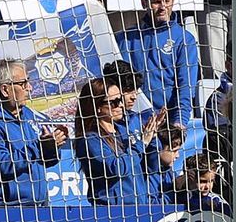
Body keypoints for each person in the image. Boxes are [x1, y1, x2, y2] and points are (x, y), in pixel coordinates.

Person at [0, 59, 67, 205]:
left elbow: (45, 161)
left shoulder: (27, 114)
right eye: (23, 83)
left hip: (38, 206)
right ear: (5, 90)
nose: (30, 88)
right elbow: (2, 165)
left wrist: (51, 146)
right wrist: (39, 148)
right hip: (4, 211)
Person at [74, 74, 176, 204]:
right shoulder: (90, 139)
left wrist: (152, 136)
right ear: (97, 107)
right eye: (115, 102)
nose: (121, 105)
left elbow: (152, 166)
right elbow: (117, 168)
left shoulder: (124, 131)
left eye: (121, 99)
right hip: (112, 212)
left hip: (139, 208)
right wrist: (142, 142)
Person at [117, 0, 201, 129]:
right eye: (156, 2)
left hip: (166, 125)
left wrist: (179, 124)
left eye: (167, 1)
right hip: (130, 124)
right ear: (144, 3)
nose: (163, 7)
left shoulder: (184, 40)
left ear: (173, 0)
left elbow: (186, 88)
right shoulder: (125, 38)